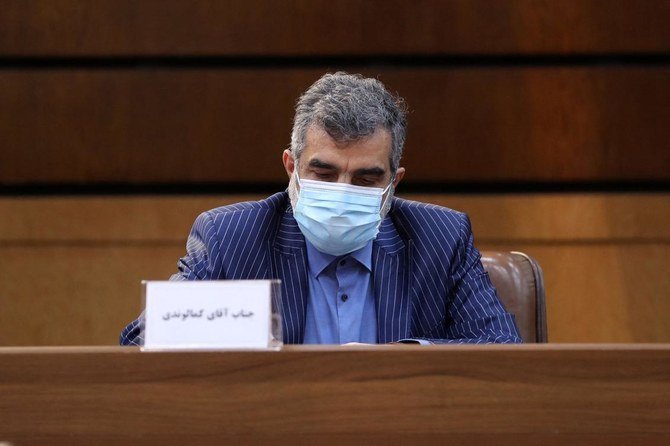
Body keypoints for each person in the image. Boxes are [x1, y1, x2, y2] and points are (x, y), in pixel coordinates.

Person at [120, 72, 521, 345]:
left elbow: (502, 353)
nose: (342, 192)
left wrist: (399, 362)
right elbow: (141, 345)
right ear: (291, 168)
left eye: (365, 179)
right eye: (323, 173)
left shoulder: (441, 239)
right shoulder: (231, 237)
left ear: (393, 184)